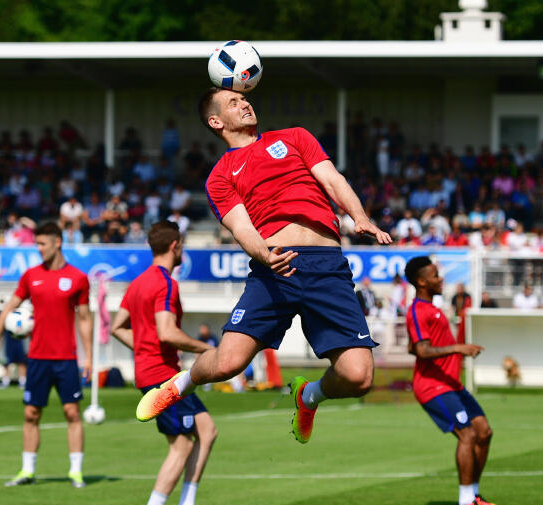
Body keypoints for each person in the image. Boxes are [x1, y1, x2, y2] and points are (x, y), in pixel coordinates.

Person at [136, 87, 392, 445]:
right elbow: (241, 227)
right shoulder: (220, 175)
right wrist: (264, 254)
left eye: (244, 99)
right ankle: (180, 384)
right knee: (228, 364)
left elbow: (333, 179)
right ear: (215, 121)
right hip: (275, 267)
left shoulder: (295, 137)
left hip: (327, 267)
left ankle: (309, 396)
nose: (244, 103)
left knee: (359, 377)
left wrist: (360, 217)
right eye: (232, 103)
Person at [111, 221, 217, 505]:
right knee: (181, 445)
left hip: (153, 372)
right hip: (164, 376)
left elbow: (118, 327)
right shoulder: (166, 283)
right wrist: (207, 349)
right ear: (175, 245)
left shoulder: (137, 283)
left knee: (206, 431)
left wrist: (144, 348)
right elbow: (167, 332)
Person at [0, 222, 92, 488]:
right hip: (37, 358)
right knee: (31, 414)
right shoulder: (30, 276)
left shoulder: (78, 278)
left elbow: (85, 319)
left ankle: (76, 472)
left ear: (58, 242)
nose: (38, 248)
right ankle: (27, 471)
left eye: (42, 243)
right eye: (37, 244)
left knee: (72, 413)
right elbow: (10, 306)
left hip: (66, 358)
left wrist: (88, 355)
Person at [403, 256, 498, 505]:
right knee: (467, 434)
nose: (440, 278)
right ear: (422, 281)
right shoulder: (416, 310)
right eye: (435, 275)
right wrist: (459, 348)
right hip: (432, 387)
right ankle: (466, 501)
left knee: (484, 432)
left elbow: (413, 346)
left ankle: (475, 496)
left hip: (451, 384)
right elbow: (422, 351)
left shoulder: (432, 308)